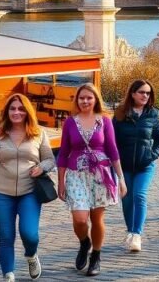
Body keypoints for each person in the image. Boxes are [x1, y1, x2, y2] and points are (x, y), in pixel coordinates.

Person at [0, 94, 54, 281]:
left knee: (29, 234)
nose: (16, 112)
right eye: (12, 109)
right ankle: (8, 275)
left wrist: (41, 167)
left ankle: (31, 255)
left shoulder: (38, 133)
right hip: (1, 193)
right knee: (6, 236)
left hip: (30, 192)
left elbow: (50, 159)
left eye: (20, 109)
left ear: (27, 111)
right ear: (7, 112)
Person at [56, 83, 126, 276]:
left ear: (95, 99)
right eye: (81, 98)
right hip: (76, 175)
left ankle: (96, 255)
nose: (85, 101)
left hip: (100, 175)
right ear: (76, 100)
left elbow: (112, 150)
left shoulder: (105, 121)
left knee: (97, 218)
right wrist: (61, 181)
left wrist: (121, 178)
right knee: (80, 219)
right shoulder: (70, 123)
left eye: (89, 97)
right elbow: (63, 153)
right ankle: (84, 242)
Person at [112, 79, 159, 253]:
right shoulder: (120, 113)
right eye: (142, 92)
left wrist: (152, 155)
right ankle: (130, 230)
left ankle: (137, 234)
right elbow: (112, 140)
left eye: (148, 93)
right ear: (133, 93)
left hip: (145, 165)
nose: (145, 95)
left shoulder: (153, 114)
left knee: (139, 195)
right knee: (127, 199)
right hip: (124, 166)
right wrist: (114, 161)